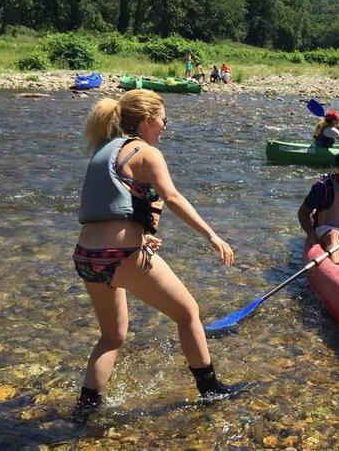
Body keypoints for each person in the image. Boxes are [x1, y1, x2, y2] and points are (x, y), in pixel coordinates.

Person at [71, 89, 243, 423]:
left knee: (112, 337)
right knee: (188, 312)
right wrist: (212, 236)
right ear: (149, 120)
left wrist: (144, 235)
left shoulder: (104, 150)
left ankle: (84, 410)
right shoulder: (147, 152)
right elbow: (172, 197)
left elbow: (113, 209)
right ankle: (210, 391)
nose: (165, 125)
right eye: (164, 119)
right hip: (120, 254)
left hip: (86, 256)